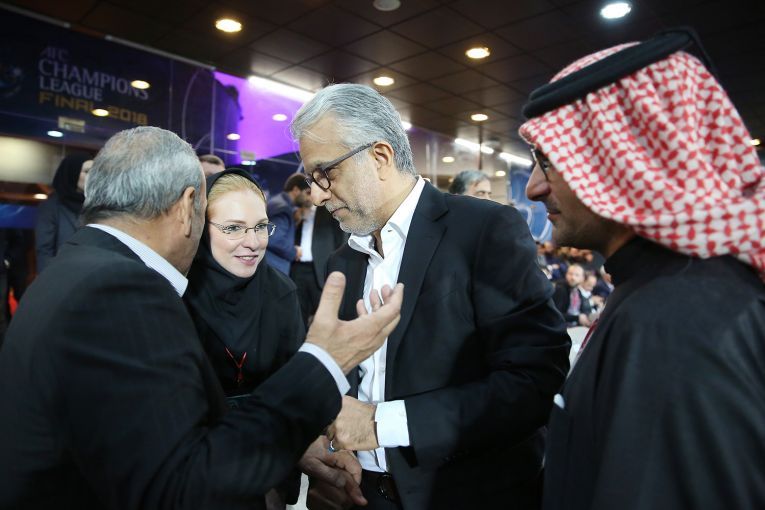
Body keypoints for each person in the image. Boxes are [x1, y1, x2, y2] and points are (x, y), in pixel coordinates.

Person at [0, 126, 404, 509]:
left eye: (260, 227)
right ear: (187, 207)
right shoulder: (123, 289)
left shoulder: (74, 268)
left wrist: (296, 444)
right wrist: (324, 360)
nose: (251, 243)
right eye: (231, 228)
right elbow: (187, 484)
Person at [291, 83, 570, 509]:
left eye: (325, 173)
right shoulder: (341, 263)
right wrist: (327, 446)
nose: (317, 194)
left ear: (379, 157)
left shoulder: (483, 230)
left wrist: (382, 424)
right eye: (312, 179)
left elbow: (533, 381)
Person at [520, 29, 765, 509]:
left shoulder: (677, 322)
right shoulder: (667, 290)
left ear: (623, 156)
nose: (533, 188)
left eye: (547, 162)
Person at [291, 204, 348, 327]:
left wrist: (337, 267)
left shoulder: (329, 209)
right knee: (298, 314)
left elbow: (341, 239)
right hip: (298, 267)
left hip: (322, 269)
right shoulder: (298, 209)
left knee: (325, 315)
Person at [35, 152, 92, 271]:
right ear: (73, 172)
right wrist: (49, 278)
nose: (92, 176)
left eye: (94, 172)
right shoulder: (51, 206)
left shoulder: (95, 204)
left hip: (91, 272)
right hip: (62, 273)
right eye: (87, 171)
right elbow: (45, 250)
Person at [265, 173, 311, 275]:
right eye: (307, 192)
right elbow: (274, 239)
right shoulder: (283, 208)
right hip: (274, 268)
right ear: (296, 190)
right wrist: (294, 251)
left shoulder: (278, 202)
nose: (308, 198)